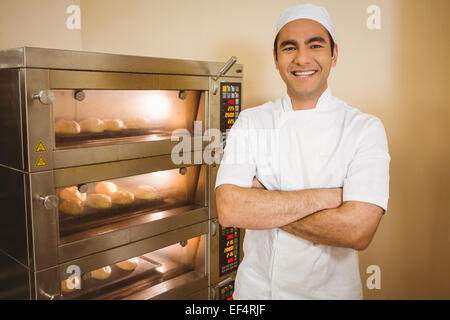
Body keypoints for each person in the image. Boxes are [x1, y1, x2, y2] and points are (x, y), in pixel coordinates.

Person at [214, 3, 390, 299]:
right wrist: (330, 197)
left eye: (315, 45)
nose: (302, 59)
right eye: (289, 47)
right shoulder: (252, 121)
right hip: (257, 294)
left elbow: (357, 231)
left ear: (334, 55)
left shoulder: (365, 128)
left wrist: (261, 202)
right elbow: (229, 209)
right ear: (276, 57)